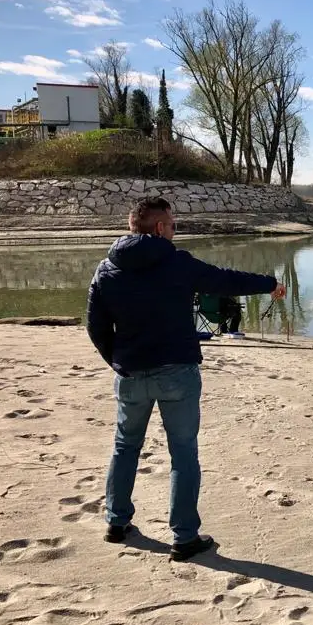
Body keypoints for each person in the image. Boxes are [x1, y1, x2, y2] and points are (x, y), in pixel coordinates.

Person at [86, 197, 285, 561]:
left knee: (125, 446)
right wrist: (269, 282)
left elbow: (96, 326)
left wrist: (117, 360)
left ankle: (116, 522)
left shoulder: (107, 267)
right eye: (174, 225)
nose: (175, 231)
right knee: (183, 453)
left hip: (130, 373)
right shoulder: (176, 263)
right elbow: (225, 281)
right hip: (177, 371)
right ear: (160, 228)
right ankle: (184, 538)